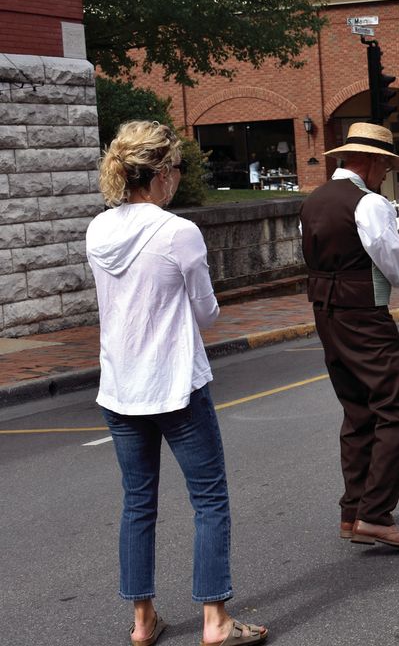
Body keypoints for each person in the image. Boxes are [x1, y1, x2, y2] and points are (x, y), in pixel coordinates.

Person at [88, 120, 267, 646]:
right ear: (163, 173)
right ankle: (215, 621)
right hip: (174, 384)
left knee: (137, 502)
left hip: (119, 386)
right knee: (209, 500)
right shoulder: (178, 232)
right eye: (179, 169)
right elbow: (207, 314)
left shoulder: (100, 230)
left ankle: (143, 620)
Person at [300, 122, 399, 549]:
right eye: (385, 165)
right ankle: (375, 514)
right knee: (396, 410)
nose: (385, 174)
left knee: (358, 411)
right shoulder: (369, 204)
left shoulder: (314, 200)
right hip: (364, 313)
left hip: (326, 312)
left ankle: (353, 512)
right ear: (374, 161)